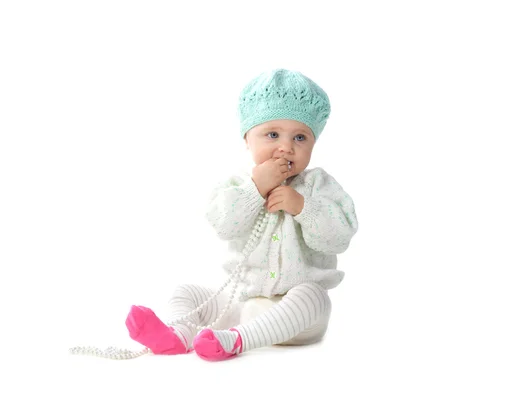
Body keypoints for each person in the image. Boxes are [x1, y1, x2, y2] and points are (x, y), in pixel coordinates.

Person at [70, 68, 359, 362]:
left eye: (300, 137)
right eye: (272, 134)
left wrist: (302, 207)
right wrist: (255, 188)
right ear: (247, 138)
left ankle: (236, 341)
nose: (286, 147)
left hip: (300, 317)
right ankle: (178, 334)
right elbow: (224, 224)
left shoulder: (318, 185)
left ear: (313, 143)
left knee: (312, 296)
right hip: (244, 304)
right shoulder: (238, 185)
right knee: (188, 292)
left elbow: (339, 238)